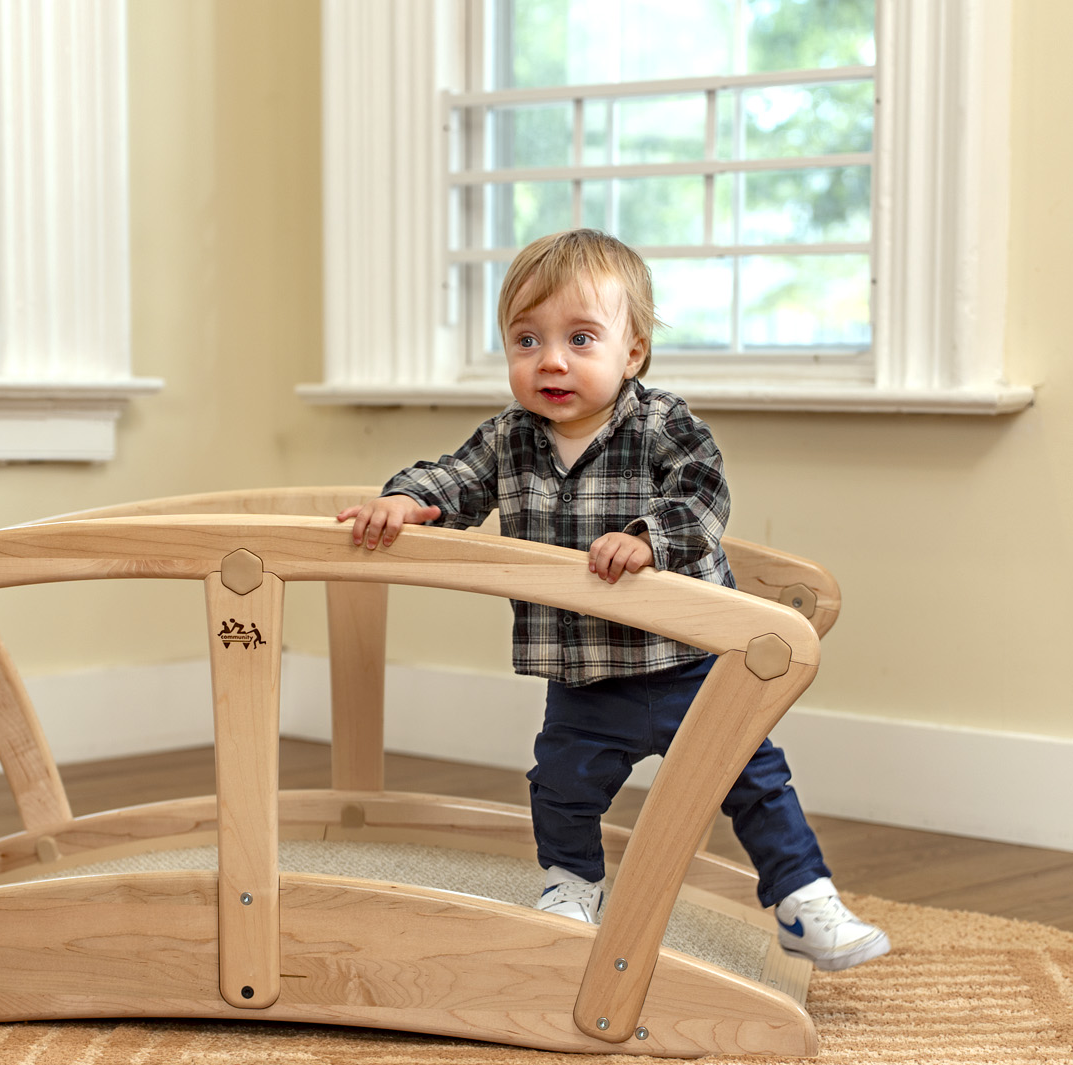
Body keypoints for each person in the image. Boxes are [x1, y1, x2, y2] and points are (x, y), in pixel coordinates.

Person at [337, 229, 889, 972]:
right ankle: (571, 884)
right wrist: (406, 500)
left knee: (756, 780)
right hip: (585, 674)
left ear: (631, 354)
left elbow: (703, 497)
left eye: (581, 338)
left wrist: (649, 538)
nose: (551, 360)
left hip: (689, 661)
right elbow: (453, 479)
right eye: (526, 340)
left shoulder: (661, 425)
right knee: (561, 785)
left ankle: (803, 898)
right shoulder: (509, 441)